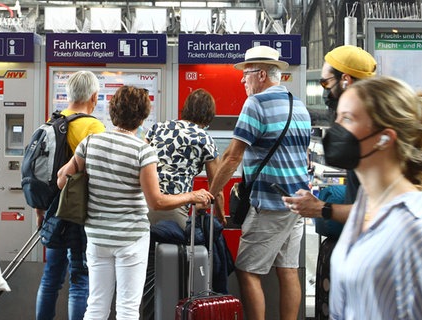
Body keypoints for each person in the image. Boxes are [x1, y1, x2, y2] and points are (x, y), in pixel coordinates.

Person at [57, 85, 213, 320]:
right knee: (128, 309)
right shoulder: (143, 151)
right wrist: (191, 196)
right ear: (143, 116)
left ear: (111, 110)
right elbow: (157, 201)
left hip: (97, 235)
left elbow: (62, 181)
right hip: (130, 238)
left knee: (96, 305)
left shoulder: (90, 143)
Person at [208, 45, 311, 320]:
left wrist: (211, 193)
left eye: (246, 74)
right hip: (298, 202)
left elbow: (232, 157)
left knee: (247, 270)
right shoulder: (298, 104)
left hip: (270, 203)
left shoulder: (256, 103)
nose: (242, 80)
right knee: (288, 269)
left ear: (262, 75)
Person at [326, 76, 422, 319]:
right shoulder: (365, 205)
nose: (336, 128)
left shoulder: (415, 229)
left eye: (348, 118)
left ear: (385, 138)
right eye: (338, 117)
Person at [35, 71, 106, 320]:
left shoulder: (52, 122)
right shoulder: (93, 126)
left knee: (51, 277)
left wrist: (39, 211)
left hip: (53, 210)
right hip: (78, 214)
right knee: (80, 279)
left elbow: (42, 172)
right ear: (94, 97)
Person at [283, 45, 377, 224]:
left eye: (325, 82)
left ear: (345, 80)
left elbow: (378, 212)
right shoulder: (370, 119)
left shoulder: (370, 132)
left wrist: (322, 208)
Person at [146, 88, 225, 230]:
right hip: (175, 211)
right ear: (209, 114)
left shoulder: (157, 128)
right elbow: (217, 188)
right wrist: (221, 217)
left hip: (144, 206)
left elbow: (140, 161)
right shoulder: (204, 138)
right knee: (186, 247)